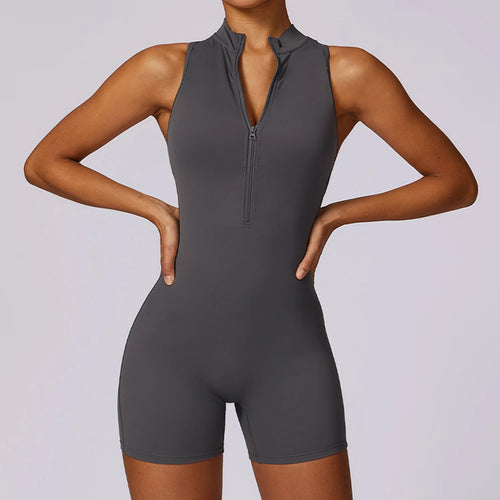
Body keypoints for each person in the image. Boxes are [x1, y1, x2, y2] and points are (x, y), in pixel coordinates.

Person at [24, 0, 478, 498]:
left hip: (290, 354)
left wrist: (336, 215)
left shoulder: (348, 72)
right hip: (171, 354)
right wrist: (155, 210)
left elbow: (455, 182)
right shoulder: (163, 68)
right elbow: (46, 162)